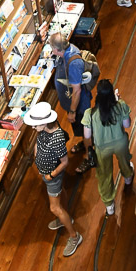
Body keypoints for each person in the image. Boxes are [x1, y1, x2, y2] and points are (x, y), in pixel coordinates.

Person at [22, 100, 83, 257]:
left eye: (35, 125)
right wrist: (37, 152)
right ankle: (66, 216)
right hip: (48, 174)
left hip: (52, 176)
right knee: (60, 194)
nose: (33, 127)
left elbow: (64, 162)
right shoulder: (43, 131)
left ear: (44, 123)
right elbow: (38, 142)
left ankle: (74, 237)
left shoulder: (56, 138)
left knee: (54, 208)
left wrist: (51, 175)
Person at [81, 79, 133, 217]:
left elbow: (87, 135)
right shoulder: (120, 105)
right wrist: (119, 102)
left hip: (102, 148)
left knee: (104, 175)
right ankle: (127, 178)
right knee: (125, 161)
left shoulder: (90, 113)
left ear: (97, 94)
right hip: (120, 143)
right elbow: (127, 125)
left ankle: (109, 204)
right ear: (112, 93)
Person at [49, 30, 93, 174]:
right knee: (81, 130)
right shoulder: (67, 50)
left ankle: (89, 155)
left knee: (86, 130)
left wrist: (72, 111)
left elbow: (77, 91)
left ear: (57, 49)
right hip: (72, 103)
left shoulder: (73, 63)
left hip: (79, 106)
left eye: (52, 49)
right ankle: (85, 143)